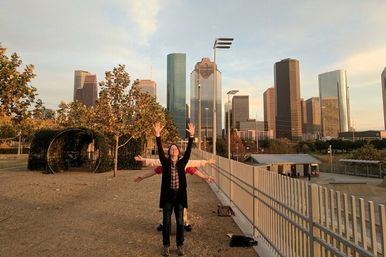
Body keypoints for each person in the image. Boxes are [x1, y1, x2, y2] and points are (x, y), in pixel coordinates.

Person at [133, 156, 214, 232]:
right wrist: (142, 175)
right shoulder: (166, 165)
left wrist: (205, 175)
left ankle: (185, 223)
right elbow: (154, 168)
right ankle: (163, 223)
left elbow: (195, 169)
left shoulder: (184, 164)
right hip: (167, 191)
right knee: (166, 209)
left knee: (183, 208)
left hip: (180, 191)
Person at [151, 121, 194, 256]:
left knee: (180, 222)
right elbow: (159, 149)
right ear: (169, 152)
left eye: (175, 148)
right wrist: (158, 135)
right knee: (166, 222)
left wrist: (191, 137)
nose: (173, 150)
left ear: (178, 152)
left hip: (180, 197)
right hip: (168, 197)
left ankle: (180, 246)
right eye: (171, 149)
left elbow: (189, 151)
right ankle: (166, 246)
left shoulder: (182, 162)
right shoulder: (165, 162)